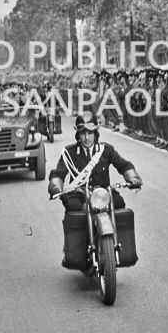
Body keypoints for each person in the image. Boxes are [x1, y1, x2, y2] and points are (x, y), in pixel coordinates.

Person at [47, 112, 142, 267]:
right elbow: (58, 173)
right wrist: (56, 186)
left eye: (90, 133)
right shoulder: (69, 153)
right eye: (83, 133)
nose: (86, 137)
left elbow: (124, 165)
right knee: (74, 209)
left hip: (102, 193)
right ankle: (77, 252)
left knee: (119, 203)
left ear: (96, 133)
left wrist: (132, 177)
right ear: (78, 134)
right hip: (79, 194)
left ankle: (119, 248)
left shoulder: (106, 150)